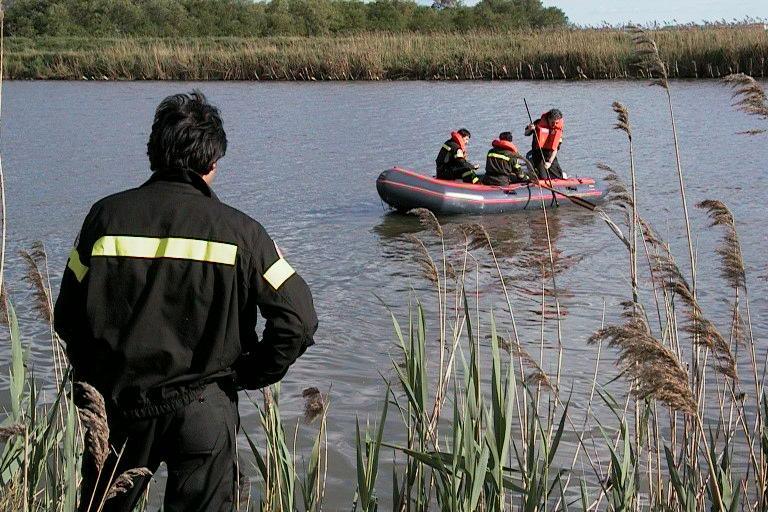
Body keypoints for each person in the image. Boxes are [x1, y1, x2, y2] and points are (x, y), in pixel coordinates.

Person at [54, 91, 318, 512]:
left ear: (152, 153)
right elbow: (299, 319)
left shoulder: (103, 219)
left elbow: (67, 317)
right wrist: (247, 373)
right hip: (204, 410)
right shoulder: (243, 233)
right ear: (213, 163)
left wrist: (97, 382)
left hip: (121, 407)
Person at [524, 109, 567, 179]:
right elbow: (526, 133)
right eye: (552, 122)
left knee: (558, 176)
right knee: (543, 177)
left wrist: (550, 162)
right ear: (548, 119)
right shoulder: (538, 123)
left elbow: (555, 149)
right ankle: (534, 175)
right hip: (538, 155)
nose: (554, 125)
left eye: (556, 123)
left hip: (550, 155)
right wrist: (530, 129)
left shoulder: (558, 130)